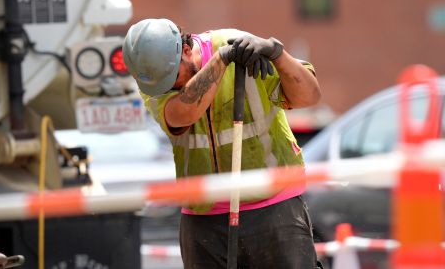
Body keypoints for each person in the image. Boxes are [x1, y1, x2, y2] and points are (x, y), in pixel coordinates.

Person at [122, 18, 322, 269]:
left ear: (186, 50)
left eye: (173, 79)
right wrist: (222, 59)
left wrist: (276, 53)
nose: (170, 88)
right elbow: (181, 114)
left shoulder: (236, 42)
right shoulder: (154, 81)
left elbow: (310, 96)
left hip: (273, 205)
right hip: (204, 217)